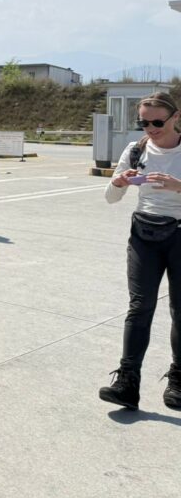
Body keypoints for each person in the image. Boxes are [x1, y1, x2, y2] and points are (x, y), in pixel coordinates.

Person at [99, 91, 181, 411]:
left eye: (157, 121)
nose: (150, 128)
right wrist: (118, 183)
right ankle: (128, 382)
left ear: (176, 117)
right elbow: (110, 199)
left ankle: (178, 378)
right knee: (139, 307)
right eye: (143, 122)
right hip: (144, 236)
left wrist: (178, 186)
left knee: (180, 310)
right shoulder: (135, 150)